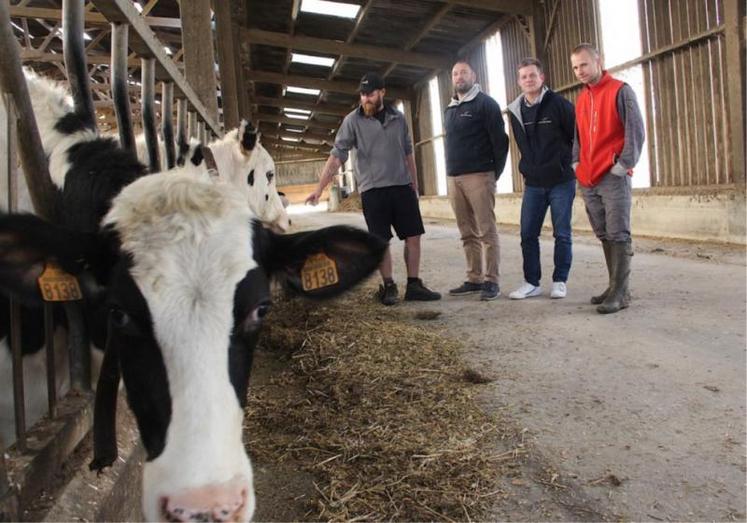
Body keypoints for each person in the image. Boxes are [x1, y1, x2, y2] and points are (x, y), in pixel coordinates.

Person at [305, 72, 441, 306]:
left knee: (414, 237)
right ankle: (389, 286)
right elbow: (337, 157)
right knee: (380, 241)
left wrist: (415, 184)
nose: (365, 99)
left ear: (382, 93)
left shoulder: (398, 118)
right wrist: (319, 189)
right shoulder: (352, 121)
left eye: (370, 94)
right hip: (373, 191)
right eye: (363, 94)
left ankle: (414, 284)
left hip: (401, 187)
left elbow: (408, 152)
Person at [570, 43, 645, 314]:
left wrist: (623, 165)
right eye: (575, 67)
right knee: (603, 233)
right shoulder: (582, 98)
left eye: (584, 64)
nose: (579, 71)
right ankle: (614, 286)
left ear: (598, 61)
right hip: (588, 177)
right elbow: (577, 136)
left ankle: (621, 294)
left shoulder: (620, 91)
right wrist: (576, 163)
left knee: (618, 232)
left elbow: (635, 130)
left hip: (612, 175)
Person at [506, 58, 576, 300]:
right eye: (524, 76)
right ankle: (531, 282)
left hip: (561, 181)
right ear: (519, 81)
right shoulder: (515, 111)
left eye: (532, 75)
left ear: (542, 78)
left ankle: (559, 281)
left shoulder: (559, 104)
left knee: (562, 233)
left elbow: (575, 136)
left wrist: (571, 163)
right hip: (534, 183)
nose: (528, 80)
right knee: (527, 234)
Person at [444, 60, 509, 301]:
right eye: (455, 73)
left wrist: (492, 174)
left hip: (479, 176)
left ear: (474, 75)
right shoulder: (450, 108)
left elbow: (501, 143)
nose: (459, 76)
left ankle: (491, 281)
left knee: (486, 230)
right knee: (466, 231)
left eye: (463, 72)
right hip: (454, 178)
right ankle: (474, 278)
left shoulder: (486, 104)